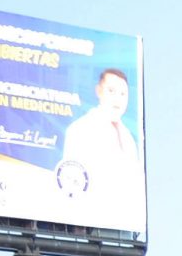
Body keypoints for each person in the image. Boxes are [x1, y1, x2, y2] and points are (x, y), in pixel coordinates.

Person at [56, 66, 145, 234]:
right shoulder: (81, 128)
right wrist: (78, 226)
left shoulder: (128, 138)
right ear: (99, 91)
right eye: (111, 91)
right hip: (93, 224)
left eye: (123, 94)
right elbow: (70, 180)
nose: (117, 99)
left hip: (123, 225)